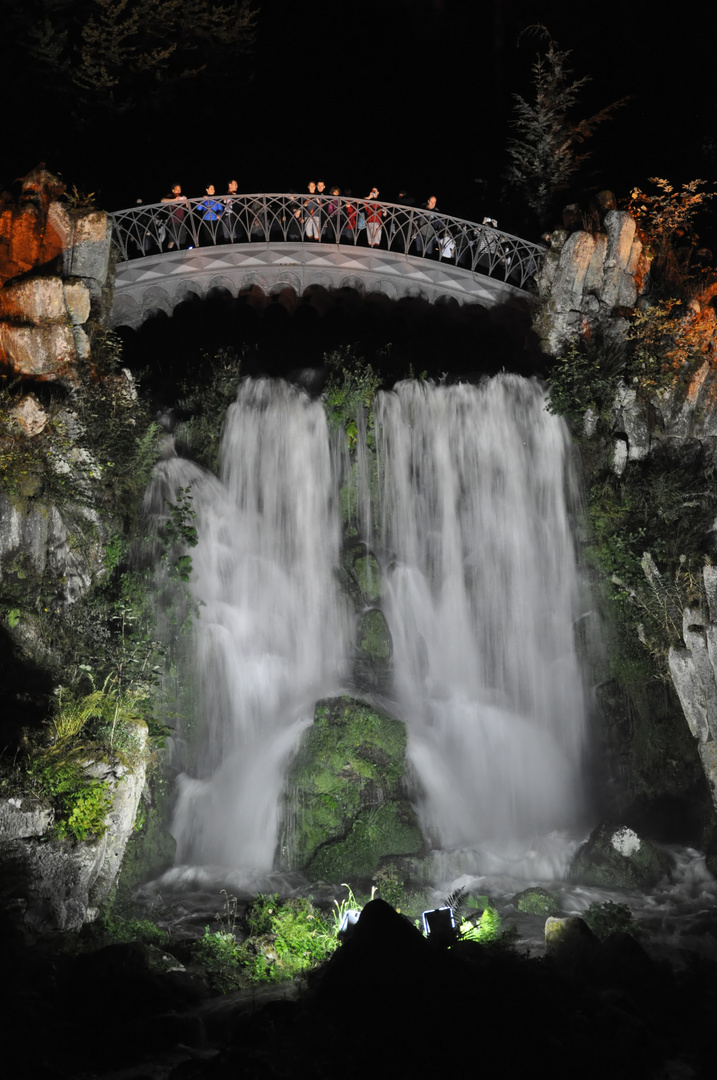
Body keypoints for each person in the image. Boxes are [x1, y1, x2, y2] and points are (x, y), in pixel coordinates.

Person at [161, 183, 188, 249]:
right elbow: (162, 201)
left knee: (181, 240)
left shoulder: (181, 197)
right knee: (172, 240)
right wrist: (174, 200)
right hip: (173, 221)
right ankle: (169, 255)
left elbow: (187, 207)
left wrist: (186, 200)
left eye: (179, 189)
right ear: (173, 190)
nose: (178, 191)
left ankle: (179, 255)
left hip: (182, 221)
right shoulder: (170, 196)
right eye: (177, 189)